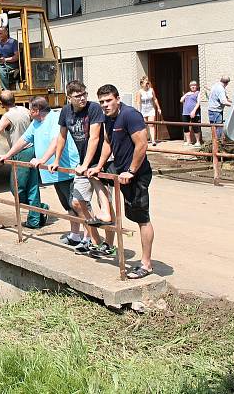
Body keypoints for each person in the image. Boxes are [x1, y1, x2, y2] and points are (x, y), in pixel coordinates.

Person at [88, 84, 154, 279]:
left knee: (142, 219)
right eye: (102, 102)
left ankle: (146, 264)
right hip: (119, 169)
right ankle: (106, 212)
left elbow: (142, 144)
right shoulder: (108, 119)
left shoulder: (130, 115)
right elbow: (108, 143)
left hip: (137, 173)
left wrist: (131, 171)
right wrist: (99, 166)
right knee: (93, 174)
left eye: (108, 101)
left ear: (117, 98)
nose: (105, 105)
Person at [43, 80, 115, 256]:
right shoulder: (65, 112)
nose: (82, 98)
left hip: (101, 163)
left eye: (84, 94)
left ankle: (109, 245)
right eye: (77, 96)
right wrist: (56, 160)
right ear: (69, 98)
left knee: (105, 205)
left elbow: (95, 137)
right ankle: (95, 240)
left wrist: (86, 164)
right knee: (76, 202)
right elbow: (61, 137)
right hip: (83, 164)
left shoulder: (94, 109)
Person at [0, 97, 82, 246]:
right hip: (54, 171)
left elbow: (56, 141)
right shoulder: (36, 123)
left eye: (30, 109)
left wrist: (42, 159)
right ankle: (75, 235)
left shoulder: (55, 118)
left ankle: (89, 239)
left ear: (36, 110)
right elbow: (23, 140)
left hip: (66, 168)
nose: (29, 112)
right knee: (68, 206)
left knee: (77, 205)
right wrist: (7, 155)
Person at [0, 90, 47, 228]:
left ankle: (39, 208)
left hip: (21, 152)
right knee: (32, 186)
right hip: (32, 150)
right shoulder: (25, 110)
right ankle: (34, 219)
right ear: (15, 99)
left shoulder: (8, 116)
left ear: (1, 104)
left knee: (16, 189)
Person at [137, 76, 162, 146]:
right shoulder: (140, 92)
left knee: (151, 125)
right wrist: (139, 111)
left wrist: (158, 108)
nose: (147, 84)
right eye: (146, 83)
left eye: (148, 82)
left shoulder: (151, 90)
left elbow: (155, 99)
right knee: (143, 126)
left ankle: (153, 140)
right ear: (142, 84)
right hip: (143, 110)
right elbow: (138, 102)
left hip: (151, 109)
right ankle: (144, 140)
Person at [180, 80, 202, 147]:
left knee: (195, 127)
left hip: (194, 113)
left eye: (194, 85)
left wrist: (194, 111)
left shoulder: (198, 93)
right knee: (185, 127)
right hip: (185, 112)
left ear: (197, 86)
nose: (193, 86)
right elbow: (181, 100)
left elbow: (198, 103)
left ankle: (198, 142)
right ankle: (188, 141)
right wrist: (186, 94)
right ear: (190, 86)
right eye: (192, 85)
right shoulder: (187, 93)